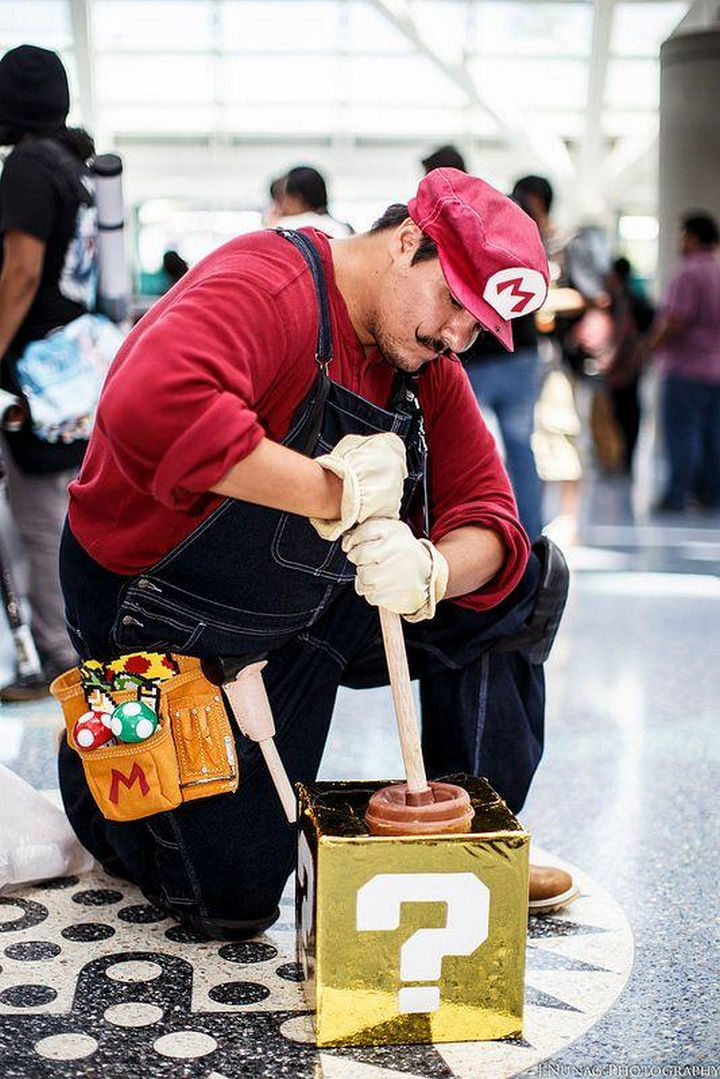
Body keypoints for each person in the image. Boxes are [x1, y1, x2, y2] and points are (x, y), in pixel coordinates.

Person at [57, 168, 576, 938]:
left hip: (305, 608)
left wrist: (431, 573)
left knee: (525, 582)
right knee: (230, 902)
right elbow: (153, 409)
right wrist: (332, 494)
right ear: (407, 242)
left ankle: (466, 843)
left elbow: (491, 517)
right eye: (454, 304)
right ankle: (99, 758)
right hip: (168, 617)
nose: (453, 340)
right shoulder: (270, 285)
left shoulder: (420, 355)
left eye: (477, 329)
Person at [0, 44, 98, 700]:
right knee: (57, 510)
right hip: (73, 369)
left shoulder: (31, 166)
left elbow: (23, 270)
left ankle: (56, 659)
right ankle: (65, 642)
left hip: (31, 373)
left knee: (37, 513)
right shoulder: (77, 168)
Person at [458, 174, 553, 541]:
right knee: (520, 446)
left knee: (479, 450)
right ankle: (531, 533)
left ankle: (487, 532)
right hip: (522, 355)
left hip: (480, 355)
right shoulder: (531, 238)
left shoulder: (480, 231)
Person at [646, 212, 720, 512]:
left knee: (682, 435)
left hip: (685, 369)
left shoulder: (688, 273)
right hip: (716, 370)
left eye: (682, 235)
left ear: (692, 237)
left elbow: (676, 319)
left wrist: (649, 346)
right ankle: (712, 495)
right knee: (713, 435)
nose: (680, 242)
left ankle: (677, 495)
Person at [274, 165, 353, 237]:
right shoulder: (341, 228)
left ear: (297, 198)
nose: (281, 206)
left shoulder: (283, 229)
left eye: (282, 197)